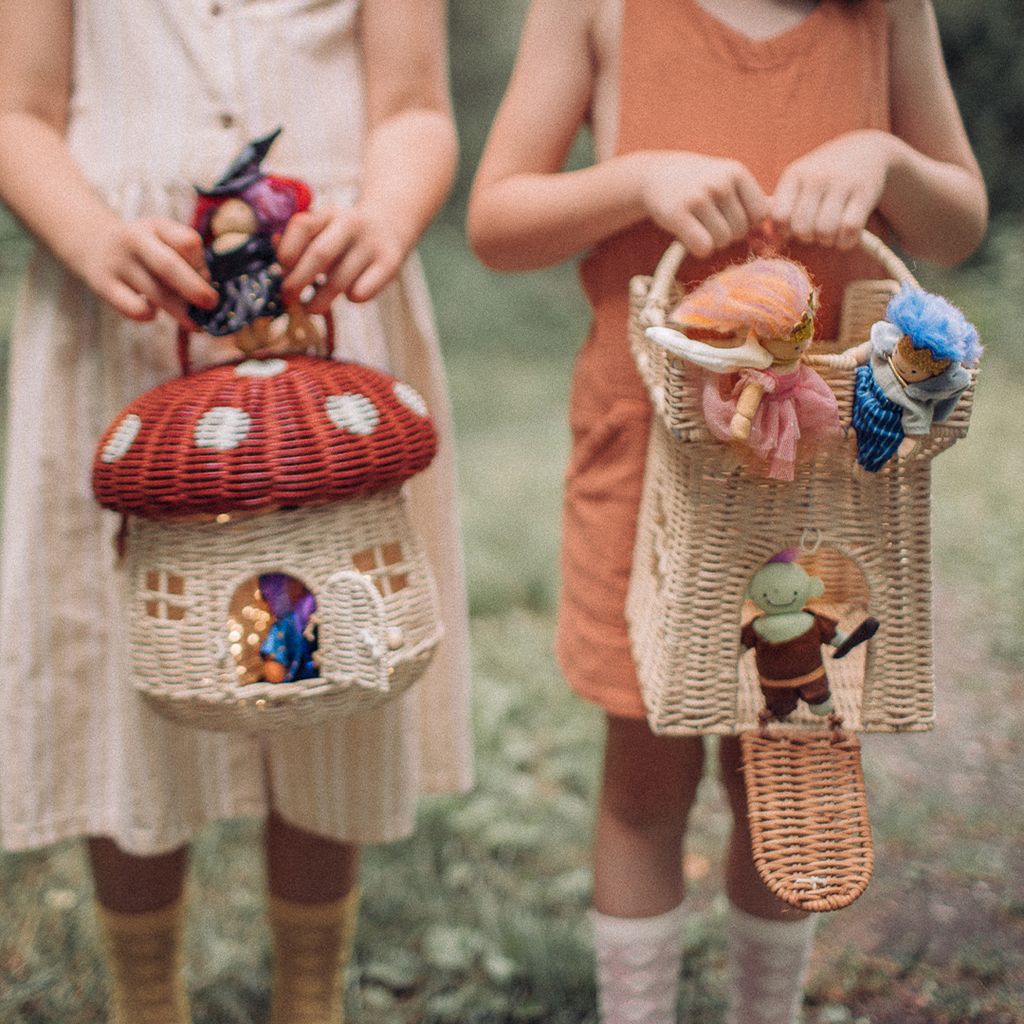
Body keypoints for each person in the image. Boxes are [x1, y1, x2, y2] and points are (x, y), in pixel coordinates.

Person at [467, 1, 985, 1022]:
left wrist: (886, 159)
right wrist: (637, 178)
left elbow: (956, 223)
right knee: (644, 776)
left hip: (823, 474)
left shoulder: (882, 13)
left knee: (788, 772)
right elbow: (495, 221)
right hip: (647, 466)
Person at [0, 2, 471, 1022]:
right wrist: (91, 236)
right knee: (135, 664)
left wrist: (384, 215)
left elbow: (412, 107)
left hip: (324, 315)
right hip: (121, 311)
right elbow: (17, 110)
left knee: (326, 654)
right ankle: (146, 1003)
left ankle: (309, 1001)